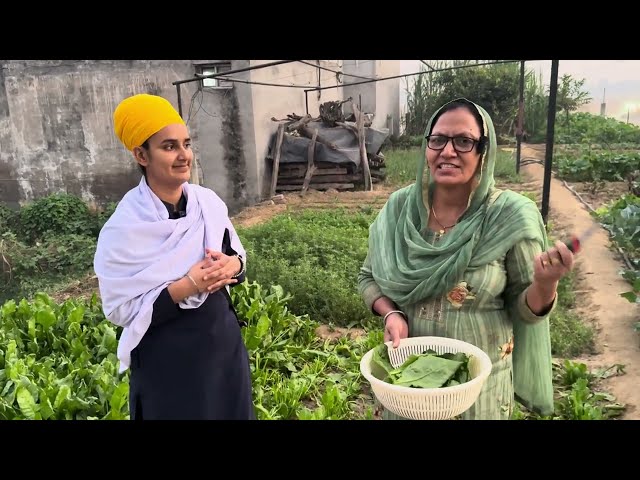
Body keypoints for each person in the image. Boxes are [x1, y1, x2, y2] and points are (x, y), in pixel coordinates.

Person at [358, 98, 575, 420]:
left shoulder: (509, 216)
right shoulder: (400, 209)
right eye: (438, 140)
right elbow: (368, 277)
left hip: (477, 389)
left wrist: (546, 283)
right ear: (427, 146)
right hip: (408, 384)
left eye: (463, 141)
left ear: (483, 151)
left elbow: (526, 312)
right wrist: (391, 313)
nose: (448, 152)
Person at [94, 93, 255, 420]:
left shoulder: (207, 204)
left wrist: (232, 266)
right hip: (168, 364)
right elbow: (121, 309)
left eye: (187, 143)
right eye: (169, 147)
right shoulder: (124, 230)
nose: (184, 155)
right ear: (141, 154)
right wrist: (190, 283)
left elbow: (236, 258)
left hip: (222, 350)